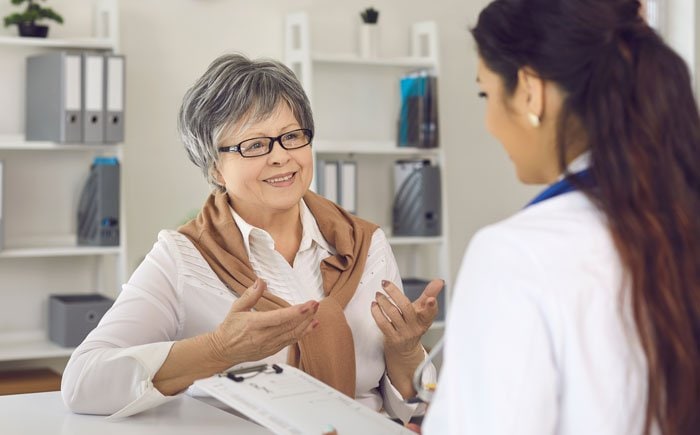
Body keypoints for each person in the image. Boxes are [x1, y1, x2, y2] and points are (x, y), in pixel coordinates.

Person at [61, 53, 443, 423]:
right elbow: (82, 383)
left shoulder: (365, 244)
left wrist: (406, 349)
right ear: (215, 167)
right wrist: (217, 350)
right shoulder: (183, 257)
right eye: (254, 145)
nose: (280, 157)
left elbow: (417, 405)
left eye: (292, 136)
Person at [422, 0, 699, 434]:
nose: (489, 122)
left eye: (486, 93)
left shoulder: (516, 254)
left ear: (531, 91)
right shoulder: (677, 219)